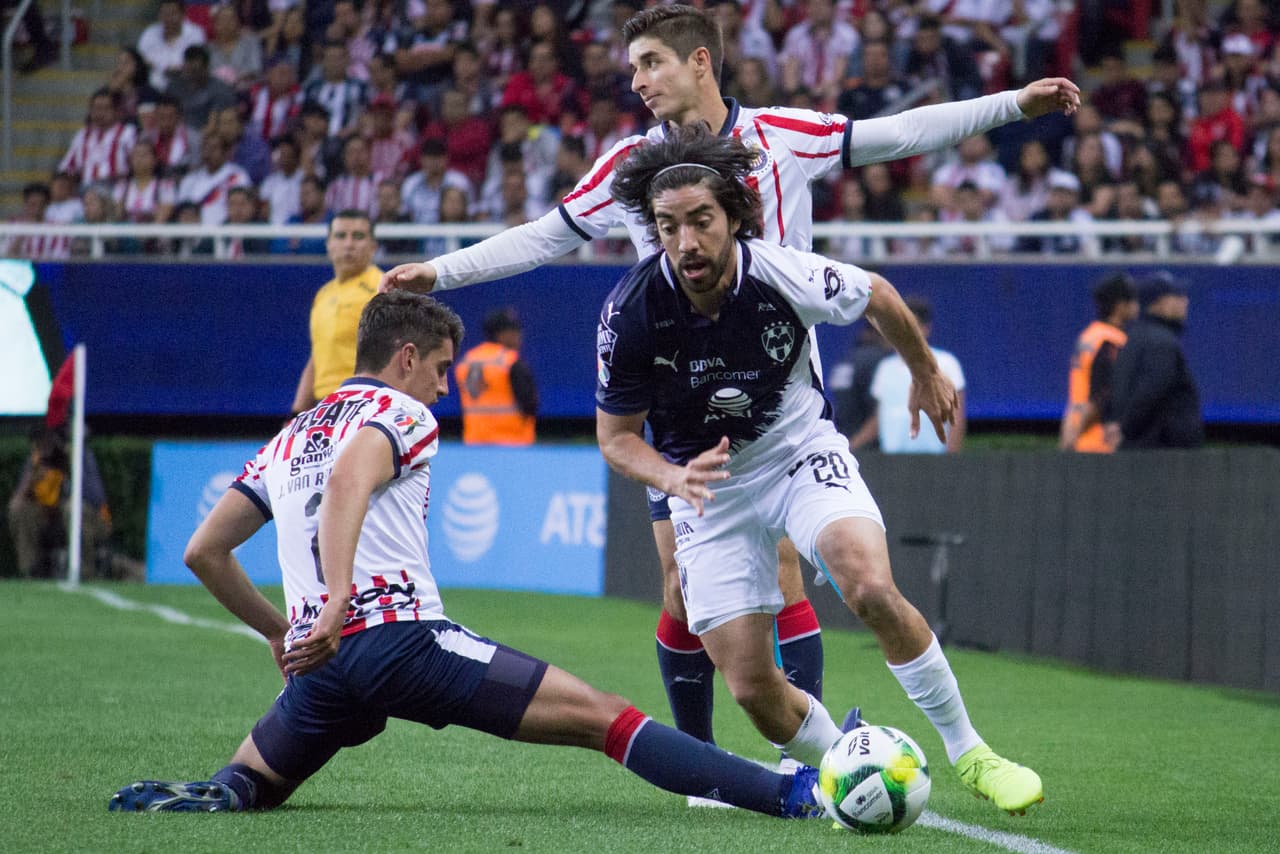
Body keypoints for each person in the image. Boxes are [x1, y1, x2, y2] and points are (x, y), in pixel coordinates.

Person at [380, 3, 1078, 781]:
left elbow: (903, 132)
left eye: (651, 62)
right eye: (634, 65)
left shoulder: (781, 136)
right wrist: (443, 271)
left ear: (700, 63)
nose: (637, 80)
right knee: (680, 591)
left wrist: (1014, 105)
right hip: (680, 422)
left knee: (817, 573)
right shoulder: (629, 169)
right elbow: (546, 235)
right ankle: (725, 762)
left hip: (781, 401)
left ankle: (836, 760)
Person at [108, 291, 823, 818]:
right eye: (442, 369)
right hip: (400, 641)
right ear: (407, 357)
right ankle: (794, 793)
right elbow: (354, 479)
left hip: (321, 672)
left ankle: (230, 785)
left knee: (245, 787)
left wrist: (279, 629)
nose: (445, 387)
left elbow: (205, 550)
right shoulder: (399, 411)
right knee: (606, 717)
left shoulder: (292, 436)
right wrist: (334, 601)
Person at [595, 125, 1043, 815]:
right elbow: (617, 438)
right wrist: (670, 478)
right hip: (704, 487)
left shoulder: (782, 274)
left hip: (797, 450)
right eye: (668, 226)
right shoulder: (629, 313)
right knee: (750, 685)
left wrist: (923, 370)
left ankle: (971, 753)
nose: (685, 242)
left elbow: (881, 297)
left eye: (701, 221)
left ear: (735, 218)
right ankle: (848, 764)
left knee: (866, 584)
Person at [290, 210, 381, 415]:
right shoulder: (323, 294)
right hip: (324, 407)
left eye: (358, 236)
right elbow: (318, 356)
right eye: (340, 236)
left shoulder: (381, 289)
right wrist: (296, 413)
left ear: (373, 246)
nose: (349, 244)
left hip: (364, 404)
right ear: (328, 244)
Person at [1106, 272, 1204, 450]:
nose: (1185, 301)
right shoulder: (1160, 342)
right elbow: (1152, 390)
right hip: (1162, 455)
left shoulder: (1133, 337)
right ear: (1158, 303)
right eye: (1177, 296)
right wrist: (1125, 428)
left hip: (1141, 450)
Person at [868, 297, 967, 454]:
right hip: (893, 461)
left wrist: (950, 458)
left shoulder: (947, 363)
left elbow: (957, 416)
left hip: (935, 458)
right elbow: (878, 418)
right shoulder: (885, 368)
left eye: (912, 325)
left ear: (926, 328)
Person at [1059, 272, 1138, 452]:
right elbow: (1100, 395)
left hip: (1079, 437)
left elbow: (1077, 397)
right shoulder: (1111, 342)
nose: (1136, 305)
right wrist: (1073, 438)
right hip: (1099, 443)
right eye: (1132, 300)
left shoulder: (1090, 336)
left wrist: (1068, 436)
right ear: (1120, 305)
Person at [456, 307, 538, 446]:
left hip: (474, 443)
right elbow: (530, 403)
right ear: (502, 334)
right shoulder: (511, 361)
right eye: (515, 331)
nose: (519, 336)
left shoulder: (467, 361)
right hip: (512, 442)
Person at [830, 322, 892, 451]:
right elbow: (880, 415)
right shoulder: (881, 362)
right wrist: (852, 447)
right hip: (869, 453)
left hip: (842, 443)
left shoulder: (846, 361)